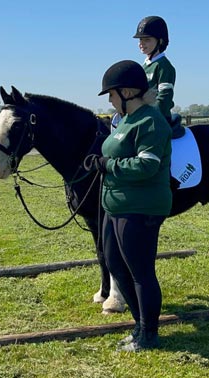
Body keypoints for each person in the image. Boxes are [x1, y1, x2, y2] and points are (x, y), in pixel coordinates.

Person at [85, 60, 173, 352]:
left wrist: (109, 164)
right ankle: (139, 327)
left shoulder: (151, 121)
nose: (110, 100)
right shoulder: (125, 121)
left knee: (141, 272)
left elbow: (148, 165)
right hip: (116, 205)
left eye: (111, 94)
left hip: (140, 207)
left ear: (127, 92)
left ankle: (149, 334)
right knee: (115, 266)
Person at [134, 16, 177, 126]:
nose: (141, 44)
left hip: (158, 119)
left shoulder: (164, 66)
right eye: (140, 40)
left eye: (147, 39)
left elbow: (164, 100)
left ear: (160, 41)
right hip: (143, 116)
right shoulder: (144, 66)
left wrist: (147, 116)